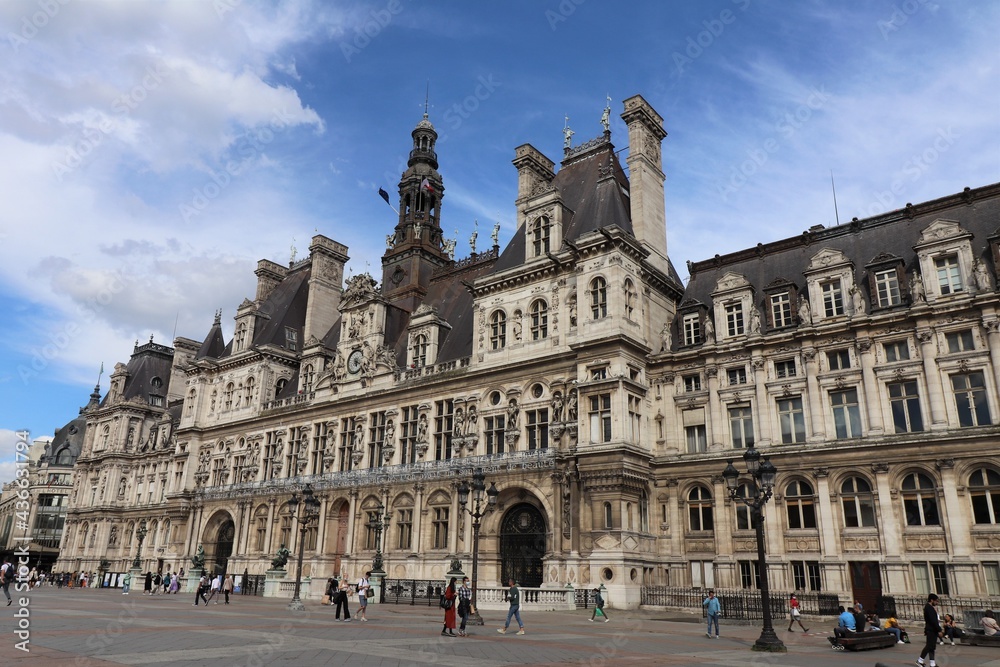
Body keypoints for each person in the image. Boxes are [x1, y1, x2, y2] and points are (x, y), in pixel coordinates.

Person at [917, 593, 942, 667]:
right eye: (936, 601)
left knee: (932, 646)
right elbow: (933, 621)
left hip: (932, 629)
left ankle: (932, 663)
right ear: (931, 600)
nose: (937, 603)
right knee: (929, 645)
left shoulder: (929, 607)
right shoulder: (929, 608)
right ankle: (920, 660)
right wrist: (939, 630)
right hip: (931, 629)